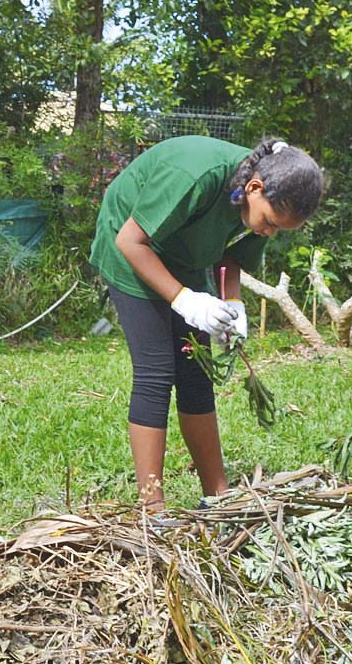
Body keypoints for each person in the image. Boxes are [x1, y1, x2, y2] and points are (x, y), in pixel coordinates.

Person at [88, 136, 324, 511]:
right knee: (157, 371)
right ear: (254, 188)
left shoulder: (255, 207)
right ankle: (153, 509)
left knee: (196, 372)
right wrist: (184, 299)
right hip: (132, 250)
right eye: (270, 223)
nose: (270, 232)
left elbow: (231, 256)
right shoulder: (195, 174)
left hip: (187, 256)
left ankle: (218, 496)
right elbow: (131, 241)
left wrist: (232, 304)